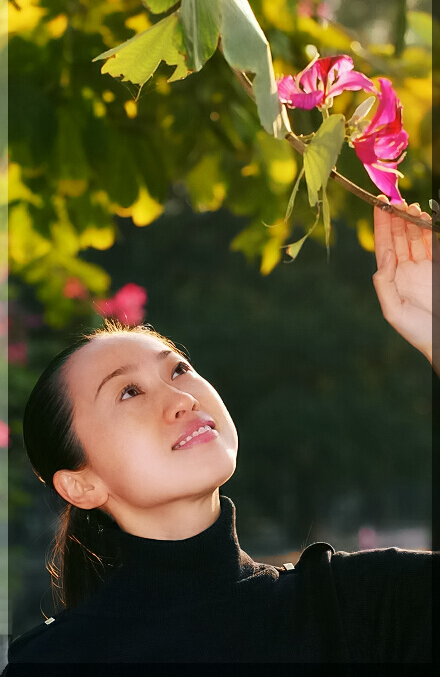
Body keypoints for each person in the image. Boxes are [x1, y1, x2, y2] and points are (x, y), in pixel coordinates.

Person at [3, 198, 438, 670]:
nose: (182, 398)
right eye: (129, 392)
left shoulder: (361, 607)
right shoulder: (48, 665)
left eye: (180, 369)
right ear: (81, 485)